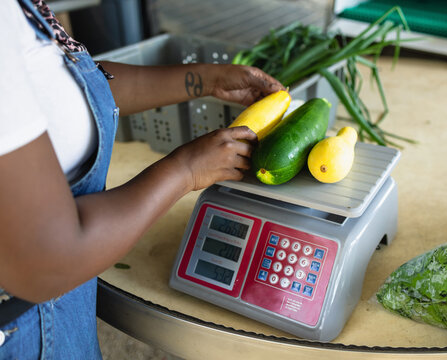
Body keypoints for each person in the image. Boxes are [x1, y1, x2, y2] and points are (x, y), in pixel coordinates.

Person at [0, 0, 285, 358]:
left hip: (58, 307)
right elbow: (46, 262)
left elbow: (63, 95)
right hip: (23, 333)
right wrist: (185, 170)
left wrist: (204, 80)